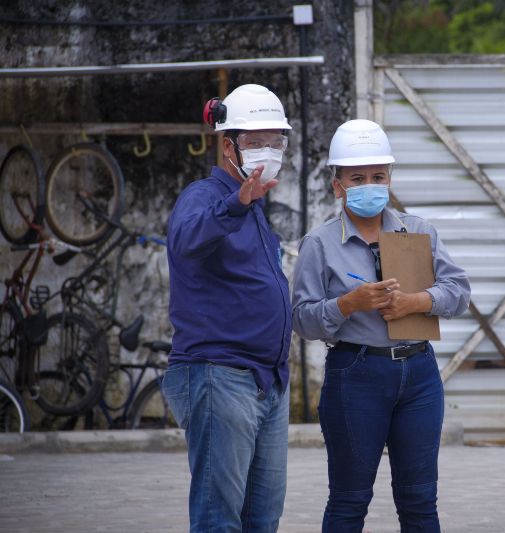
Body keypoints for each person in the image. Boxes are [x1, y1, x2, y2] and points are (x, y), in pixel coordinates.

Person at [292, 119, 471, 532]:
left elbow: (459, 291)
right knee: (350, 500)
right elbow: (302, 318)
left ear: (390, 178)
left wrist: (418, 301)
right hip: (356, 375)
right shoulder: (319, 244)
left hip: (420, 375)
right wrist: (346, 304)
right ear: (337, 184)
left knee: (420, 500)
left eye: (378, 176)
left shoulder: (418, 231)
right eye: (357, 177)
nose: (370, 184)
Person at [162, 84, 293, 533]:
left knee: (262, 520)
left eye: (275, 141)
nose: (268, 151)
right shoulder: (206, 196)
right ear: (227, 145)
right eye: (256, 141)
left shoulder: (254, 208)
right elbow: (185, 239)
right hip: (220, 376)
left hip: (266, 382)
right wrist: (236, 204)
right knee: (220, 521)